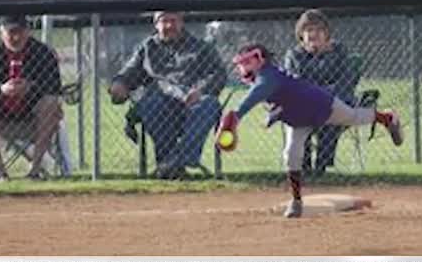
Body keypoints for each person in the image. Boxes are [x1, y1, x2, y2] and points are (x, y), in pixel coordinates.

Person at [217, 43, 402, 218]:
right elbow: (280, 99)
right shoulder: (265, 78)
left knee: (353, 117)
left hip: (319, 105)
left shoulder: (267, 78)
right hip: (297, 119)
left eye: (248, 62)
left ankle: (387, 118)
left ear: (260, 59)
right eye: (241, 64)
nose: (243, 68)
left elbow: (253, 97)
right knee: (291, 153)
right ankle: (296, 201)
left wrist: (235, 117)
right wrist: (273, 114)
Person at [109, 11, 226, 179]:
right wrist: (119, 83)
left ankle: (174, 162)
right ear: (156, 24)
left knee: (209, 104)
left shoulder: (201, 47)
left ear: (182, 22)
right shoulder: (147, 48)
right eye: (164, 21)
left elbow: (218, 74)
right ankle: (172, 165)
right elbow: (129, 72)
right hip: (160, 103)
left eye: (174, 21)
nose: (169, 26)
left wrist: (201, 90)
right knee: (150, 104)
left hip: (192, 102)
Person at [0, 13, 63, 181]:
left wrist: (30, 88)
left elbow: (55, 87)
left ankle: (35, 170)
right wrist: (1, 90)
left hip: (32, 114)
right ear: (1, 33)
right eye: (11, 32)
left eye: (21, 32)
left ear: (28, 32)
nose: (16, 37)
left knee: (51, 103)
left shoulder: (42, 53)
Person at [284, 9, 358, 176]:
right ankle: (304, 168)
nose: (313, 34)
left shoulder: (339, 52)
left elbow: (346, 83)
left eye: (318, 30)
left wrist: (321, 94)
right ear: (301, 34)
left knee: (329, 111)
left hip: (334, 102)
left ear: (327, 33)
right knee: (299, 114)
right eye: (308, 30)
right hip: (304, 105)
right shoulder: (294, 55)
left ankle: (322, 167)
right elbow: (294, 85)